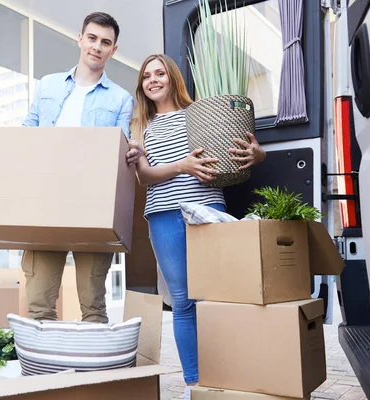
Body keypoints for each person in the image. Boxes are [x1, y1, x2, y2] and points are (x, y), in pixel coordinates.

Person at [130, 54, 266, 399]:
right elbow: (144, 176)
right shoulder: (140, 127)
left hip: (207, 208)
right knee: (183, 301)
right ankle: (196, 384)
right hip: (163, 214)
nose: (153, 80)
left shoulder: (202, 114)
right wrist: (182, 166)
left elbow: (245, 149)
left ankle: (229, 374)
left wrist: (257, 154)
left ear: (173, 77)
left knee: (218, 297)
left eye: (159, 73)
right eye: (147, 76)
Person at [20, 12, 143, 324]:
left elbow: (121, 148)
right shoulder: (47, 85)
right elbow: (27, 132)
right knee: (39, 303)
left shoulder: (120, 98)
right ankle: (43, 372)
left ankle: (93, 373)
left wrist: (131, 151)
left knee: (92, 303)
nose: (97, 47)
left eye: (105, 42)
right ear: (80, 38)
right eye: (92, 38)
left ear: (113, 50)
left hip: (92, 203)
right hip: (44, 201)